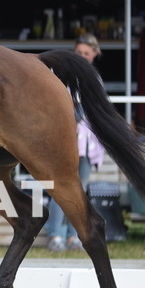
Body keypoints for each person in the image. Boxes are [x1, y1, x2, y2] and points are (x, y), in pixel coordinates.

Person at [46, 34, 106, 251]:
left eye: (86, 53)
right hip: (65, 136)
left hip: (87, 140)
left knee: (80, 191)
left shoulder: (96, 77)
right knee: (60, 188)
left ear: (95, 55)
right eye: (79, 52)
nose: (82, 56)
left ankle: (75, 236)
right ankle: (55, 235)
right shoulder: (62, 73)